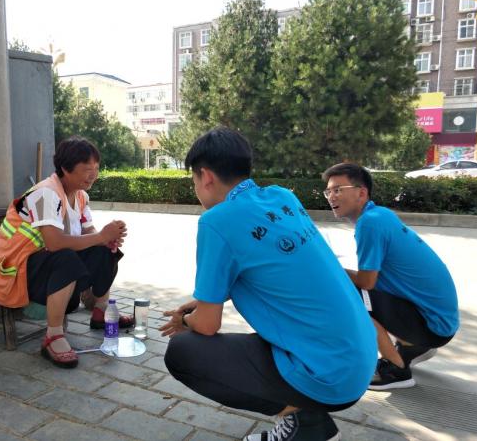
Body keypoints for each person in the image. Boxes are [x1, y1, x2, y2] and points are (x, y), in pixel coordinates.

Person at [160, 127, 377, 441]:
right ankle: (310, 420)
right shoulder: (282, 196)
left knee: (183, 351)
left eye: (193, 180)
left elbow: (206, 325)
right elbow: (269, 271)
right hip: (359, 359)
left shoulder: (216, 221)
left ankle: (304, 421)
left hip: (331, 378)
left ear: (206, 177)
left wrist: (185, 321)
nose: (196, 188)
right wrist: (201, 303)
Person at [0, 136, 130, 368]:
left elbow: (90, 234)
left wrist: (107, 239)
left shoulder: (80, 196)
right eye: (87, 169)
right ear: (65, 169)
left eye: (97, 168)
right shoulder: (45, 193)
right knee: (66, 258)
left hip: (43, 266)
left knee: (104, 251)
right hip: (14, 271)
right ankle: (54, 335)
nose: (93, 175)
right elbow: (55, 243)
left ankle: (101, 311)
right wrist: (100, 236)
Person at [322, 163, 459, 390]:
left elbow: (366, 282)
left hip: (433, 326)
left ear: (361, 193)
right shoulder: (380, 215)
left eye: (338, 190)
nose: (331, 197)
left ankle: (397, 369)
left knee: (347, 295)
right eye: (328, 191)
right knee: (357, 290)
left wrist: (329, 267)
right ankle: (412, 347)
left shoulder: (369, 223)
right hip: (441, 321)